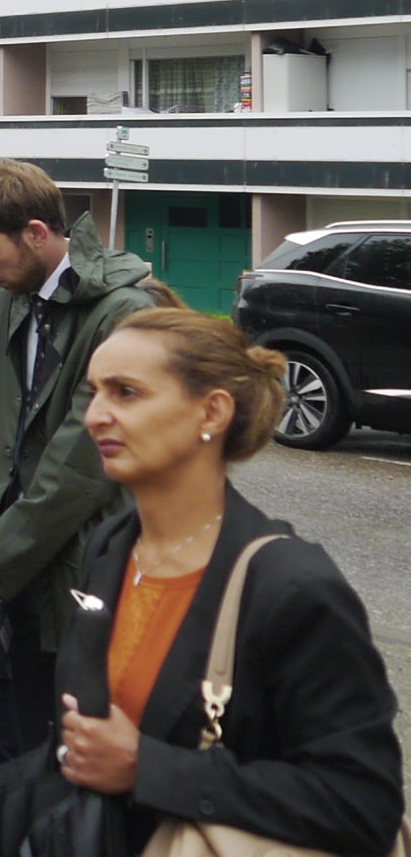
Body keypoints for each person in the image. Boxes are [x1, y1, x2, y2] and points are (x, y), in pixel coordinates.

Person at [49, 309, 402, 850]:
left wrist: (150, 769)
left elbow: (363, 802)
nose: (95, 415)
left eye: (126, 393)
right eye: (93, 391)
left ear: (210, 412)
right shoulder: (113, 546)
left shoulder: (291, 586)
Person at [0, 157, 158, 759]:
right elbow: (2, 448)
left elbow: (79, 467)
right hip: (14, 588)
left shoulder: (124, 314)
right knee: (15, 753)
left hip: (89, 583)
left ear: (36, 233)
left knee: (81, 770)